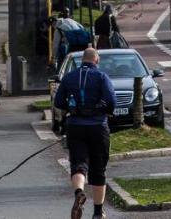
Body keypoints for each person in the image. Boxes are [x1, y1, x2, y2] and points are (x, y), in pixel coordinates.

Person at [53, 47, 116, 219]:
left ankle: (79, 192)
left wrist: (73, 109)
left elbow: (58, 101)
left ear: (82, 60)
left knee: (79, 165)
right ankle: (97, 213)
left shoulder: (69, 77)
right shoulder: (102, 77)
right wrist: (106, 110)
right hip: (98, 127)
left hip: (75, 126)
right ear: (96, 60)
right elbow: (111, 100)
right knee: (98, 169)